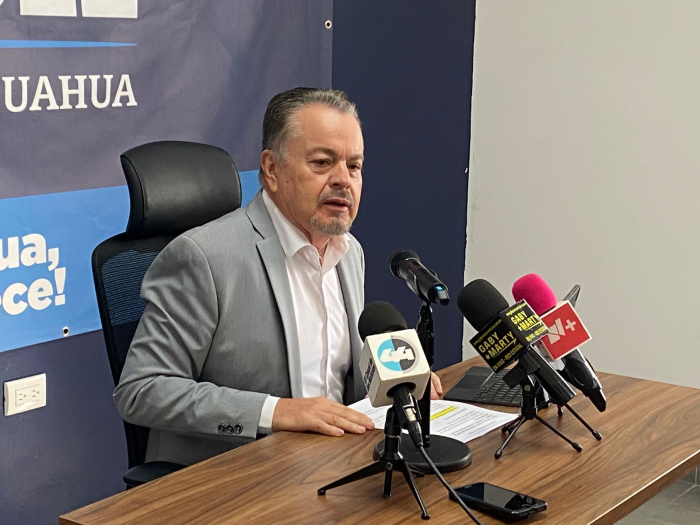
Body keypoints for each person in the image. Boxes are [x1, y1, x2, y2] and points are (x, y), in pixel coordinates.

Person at [114, 87, 442, 466]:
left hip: (334, 462)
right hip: (236, 473)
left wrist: (398, 379)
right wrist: (277, 411)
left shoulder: (349, 251)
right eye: (322, 163)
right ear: (272, 169)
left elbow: (339, 376)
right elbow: (141, 390)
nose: (343, 180)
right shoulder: (204, 257)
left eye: (354, 166)